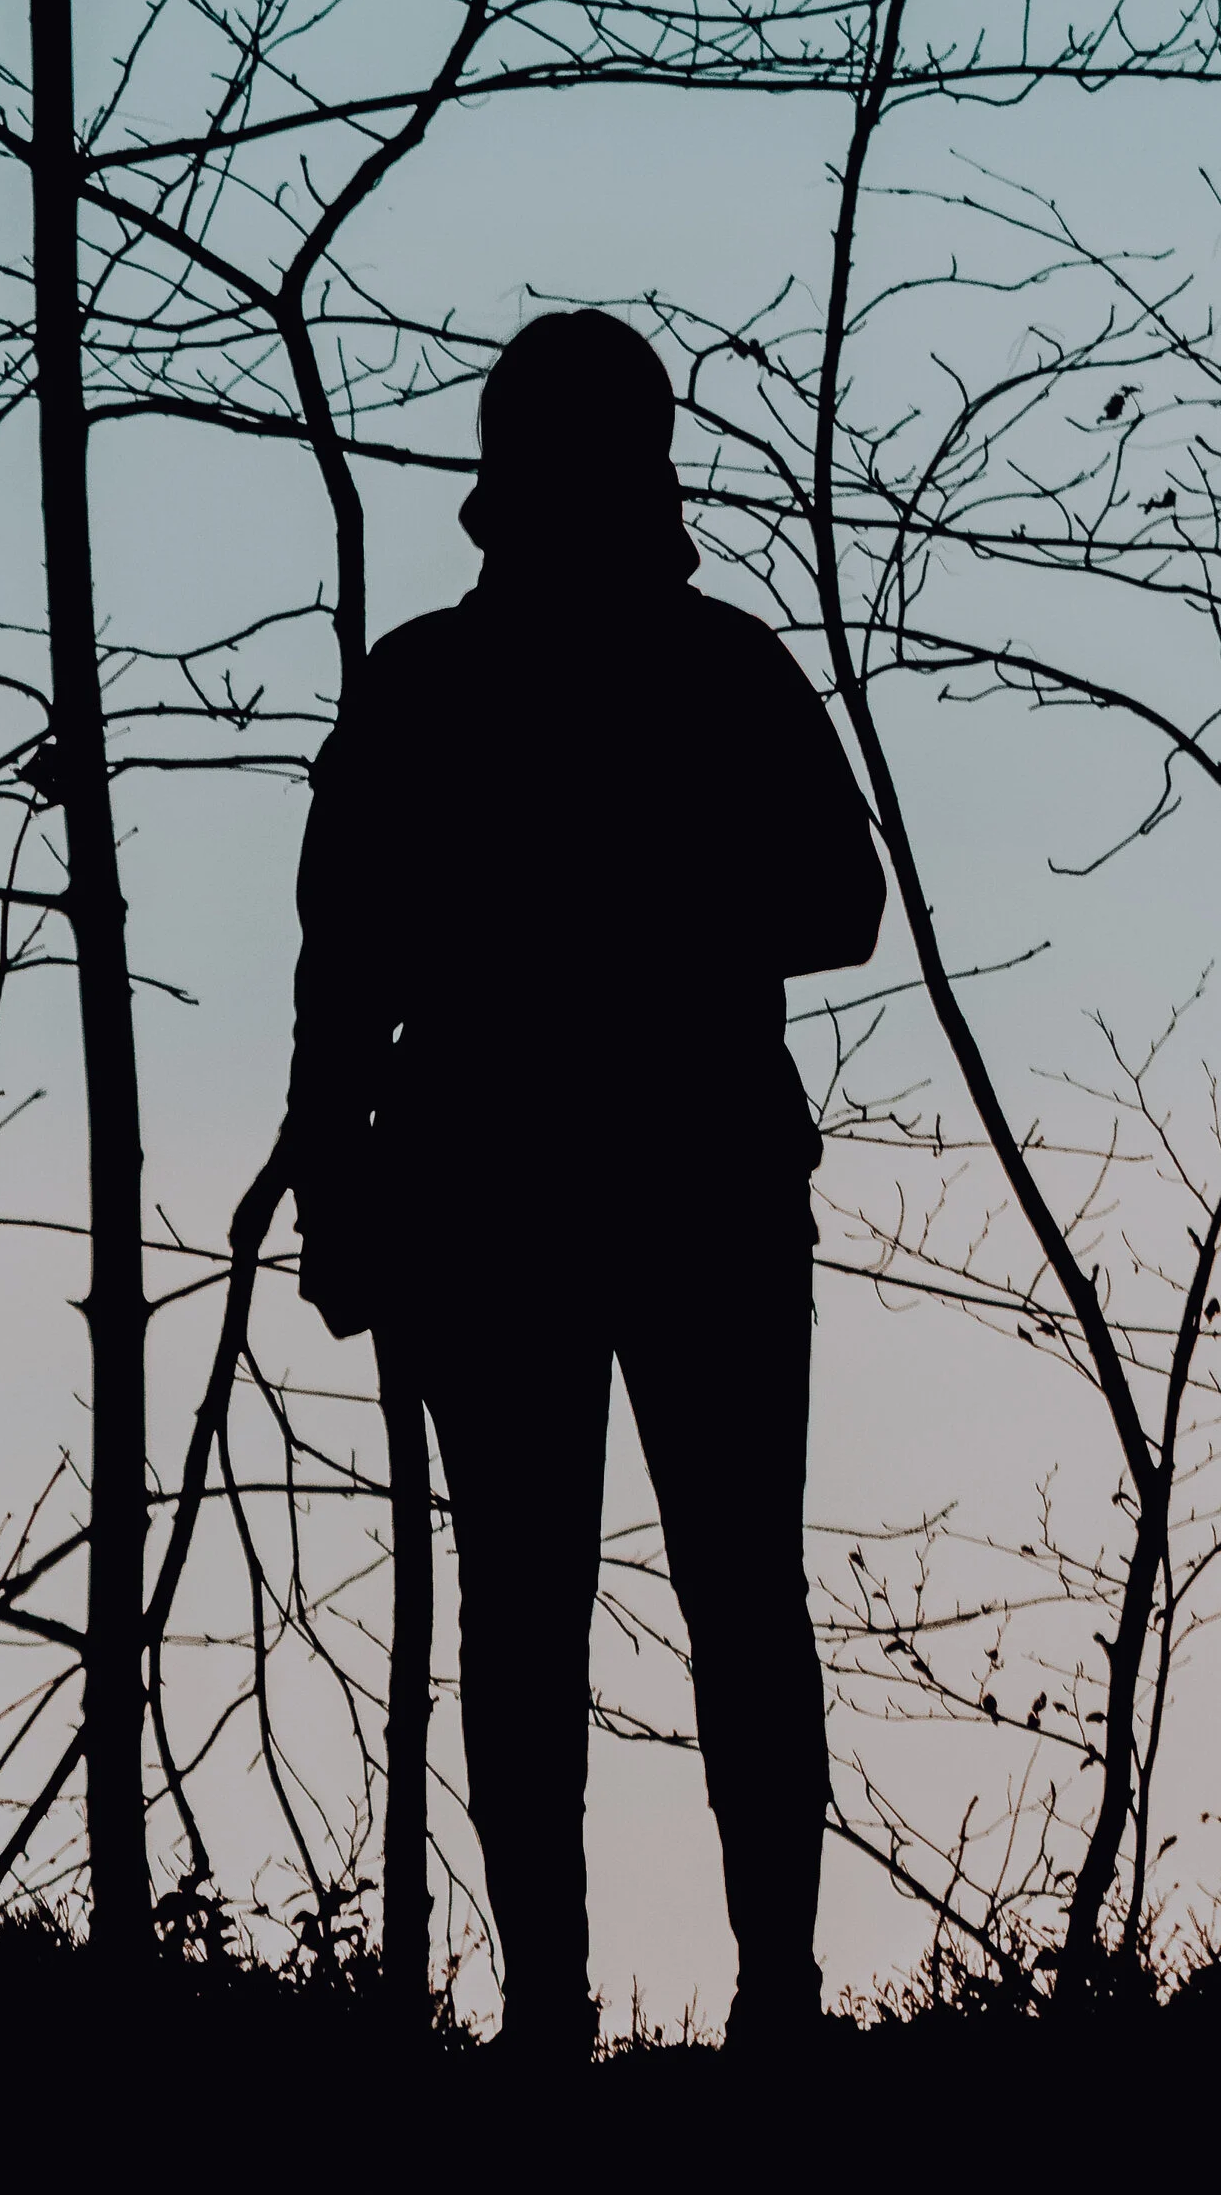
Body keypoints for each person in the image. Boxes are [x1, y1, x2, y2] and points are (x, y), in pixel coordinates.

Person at [284, 306, 886, 2058]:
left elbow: (837, 911)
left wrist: (348, 1180)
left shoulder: (486, 687)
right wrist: (341, 1190)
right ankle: (596, 2012)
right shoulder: (557, 683)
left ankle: (737, 2000)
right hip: (544, 1198)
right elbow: (342, 973)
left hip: (617, 1192)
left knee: (679, 1602)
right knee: (581, 1609)